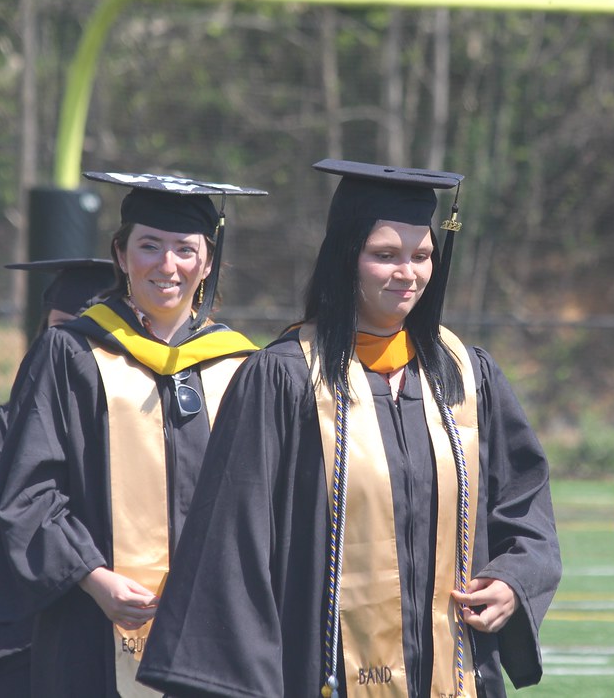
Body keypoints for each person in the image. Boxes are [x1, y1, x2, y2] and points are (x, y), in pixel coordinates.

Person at [136, 159, 562, 698]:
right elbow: (233, 545)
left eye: (421, 255)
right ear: (346, 259)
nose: (407, 273)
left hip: (455, 671)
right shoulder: (284, 377)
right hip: (321, 673)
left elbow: (524, 503)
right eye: (384, 255)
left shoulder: (465, 375)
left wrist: (514, 579)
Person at [0, 172, 265, 697]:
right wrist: (92, 577)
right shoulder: (69, 355)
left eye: (185, 249)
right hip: (90, 628)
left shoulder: (242, 367)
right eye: (149, 245)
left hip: (212, 636)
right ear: (121, 254)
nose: (167, 265)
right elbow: (29, 492)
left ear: (208, 262)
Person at [0, 258, 116, 697]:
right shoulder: (8, 428)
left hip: (112, 643)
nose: (68, 345)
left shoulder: (134, 429)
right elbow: (7, 531)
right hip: (23, 646)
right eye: (58, 328)